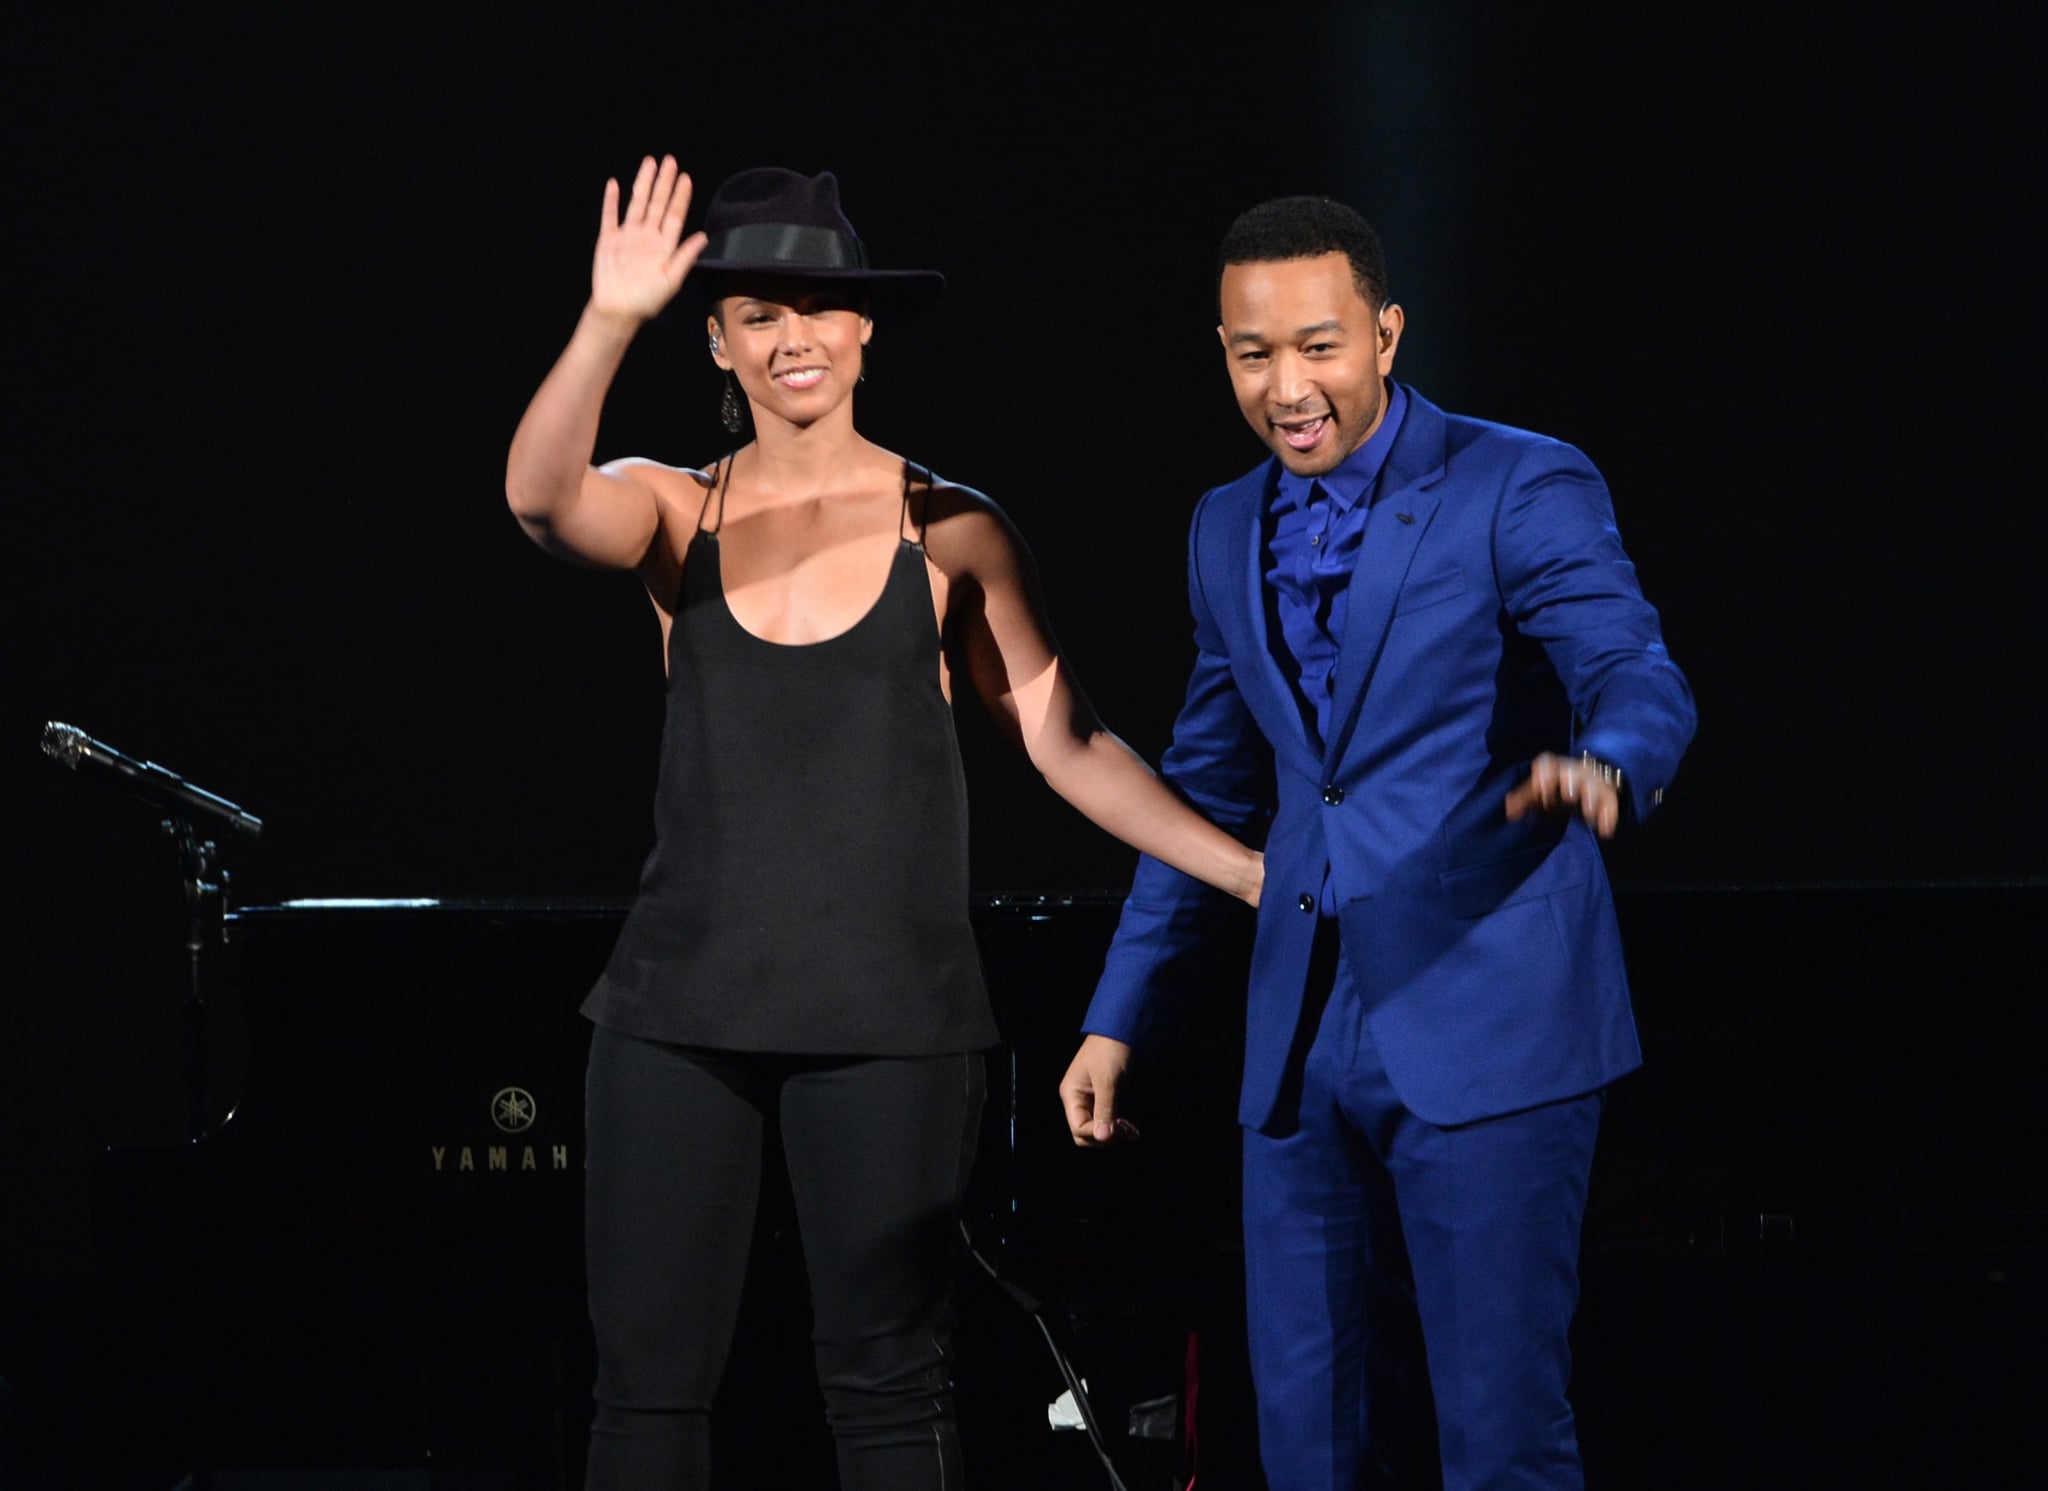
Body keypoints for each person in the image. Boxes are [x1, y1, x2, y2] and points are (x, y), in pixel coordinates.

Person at [504, 156, 1263, 1491]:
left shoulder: (951, 529)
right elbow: (538, 498)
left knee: (890, 1389)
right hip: (676, 1015)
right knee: (647, 1393)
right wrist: (608, 315)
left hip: (891, 1023)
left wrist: (1252, 874)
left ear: (864, 328)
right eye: (756, 312)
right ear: (719, 340)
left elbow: (1069, 743)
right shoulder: (678, 507)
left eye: (820, 306)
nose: (793, 335)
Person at [1059, 195, 1697, 1490]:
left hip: (1490, 1012)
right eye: (1253, 354)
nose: (1288, 388)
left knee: (1499, 1438)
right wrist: (1120, 1011)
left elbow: (1635, 672)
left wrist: (1609, 767)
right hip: (1299, 1042)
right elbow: (1202, 786)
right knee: (1303, 1443)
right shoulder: (1224, 527)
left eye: (1319, 346)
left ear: (1387, 334)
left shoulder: (1517, 479)